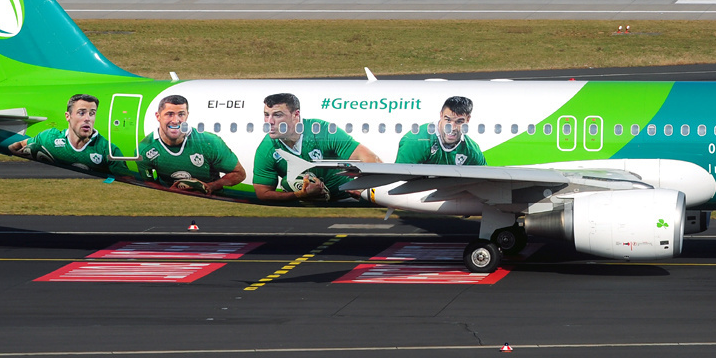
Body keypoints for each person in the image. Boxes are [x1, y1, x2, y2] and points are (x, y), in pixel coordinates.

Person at [252, 92, 380, 202]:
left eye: (277, 115)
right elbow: (262, 193)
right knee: (288, 182)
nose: (269, 122)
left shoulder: (322, 131)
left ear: (296, 115)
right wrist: (299, 195)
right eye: (266, 115)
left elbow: (369, 158)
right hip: (308, 204)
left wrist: (363, 188)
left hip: (346, 197)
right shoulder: (267, 149)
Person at [137, 94, 245, 194]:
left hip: (211, 203)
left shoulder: (209, 142)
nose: (175, 120)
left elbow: (239, 174)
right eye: (169, 114)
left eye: (181, 114)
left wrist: (210, 187)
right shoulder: (145, 150)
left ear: (187, 115)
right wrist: (170, 193)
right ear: (158, 116)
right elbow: (149, 185)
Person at [10, 93, 129, 176]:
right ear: (68, 116)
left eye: (92, 113)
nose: (87, 118)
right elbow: (19, 144)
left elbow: (126, 180)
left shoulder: (108, 150)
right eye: (81, 113)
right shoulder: (50, 138)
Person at [396, 95, 486, 166]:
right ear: (441, 115)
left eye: (459, 121)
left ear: (468, 119)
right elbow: (399, 179)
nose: (452, 127)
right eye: (448, 120)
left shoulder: (471, 150)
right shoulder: (416, 142)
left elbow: (484, 182)